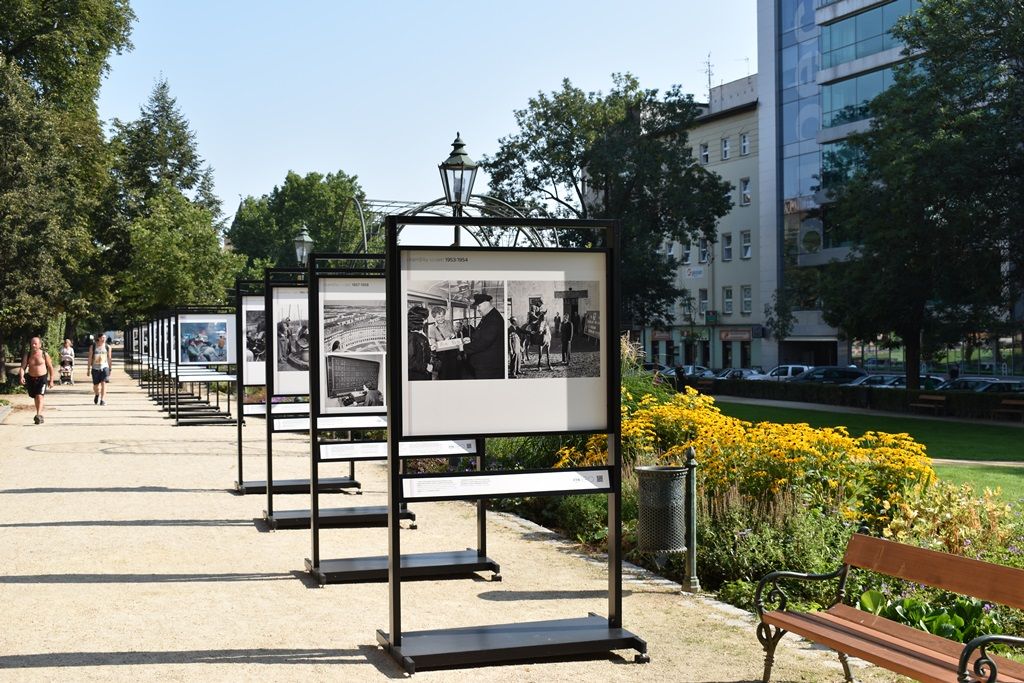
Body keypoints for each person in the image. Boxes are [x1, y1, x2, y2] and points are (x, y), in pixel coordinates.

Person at [463, 293, 504, 379]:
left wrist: (464, 347)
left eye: (479, 306)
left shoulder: (494, 319)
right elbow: (480, 333)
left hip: (489, 367)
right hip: (485, 365)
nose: (477, 309)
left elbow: (484, 342)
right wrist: (470, 339)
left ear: (486, 304)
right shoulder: (488, 316)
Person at [19, 336, 54, 424]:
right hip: (31, 378)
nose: (33, 345)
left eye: (35, 344)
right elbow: (23, 367)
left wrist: (51, 380)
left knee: (40, 396)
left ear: (40, 345)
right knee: (35, 396)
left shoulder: (44, 354)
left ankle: (38, 415)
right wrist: (21, 377)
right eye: (32, 344)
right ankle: (39, 414)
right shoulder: (28, 355)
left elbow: (50, 367)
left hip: (42, 378)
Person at [427, 305, 460, 380]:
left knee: (454, 372)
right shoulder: (432, 328)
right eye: (439, 317)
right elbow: (432, 341)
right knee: (444, 374)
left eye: (442, 316)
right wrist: (441, 343)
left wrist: (452, 335)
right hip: (442, 354)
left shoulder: (448, 322)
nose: (441, 318)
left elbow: (453, 333)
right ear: (434, 318)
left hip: (452, 351)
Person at [407, 306, 433, 381]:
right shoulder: (411, 336)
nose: (426, 321)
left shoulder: (418, 332)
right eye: (424, 319)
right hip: (417, 375)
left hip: (423, 373)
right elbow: (409, 362)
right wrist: (426, 366)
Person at [88, 332, 113, 405]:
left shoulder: (108, 347)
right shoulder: (93, 346)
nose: (104, 339)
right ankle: (97, 394)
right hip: (95, 368)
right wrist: (88, 369)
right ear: (98, 338)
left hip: (104, 367)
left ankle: (102, 400)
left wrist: (110, 368)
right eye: (102, 338)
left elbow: (109, 358)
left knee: (103, 383)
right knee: (96, 386)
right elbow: (90, 358)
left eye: (105, 338)